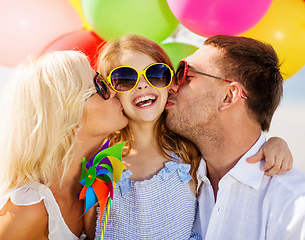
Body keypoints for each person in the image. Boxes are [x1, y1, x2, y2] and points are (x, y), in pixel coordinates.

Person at [85, 35, 293, 240]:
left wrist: (274, 143)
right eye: (125, 79)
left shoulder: (189, 154)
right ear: (110, 91)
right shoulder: (100, 164)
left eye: (156, 74)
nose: (141, 85)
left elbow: (229, 144)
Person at [166, 35, 305, 239]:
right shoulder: (172, 176)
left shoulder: (294, 205)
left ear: (228, 96)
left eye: (186, 75)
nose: (171, 86)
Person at [0, 50, 128, 240]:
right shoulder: (28, 207)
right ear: (69, 117)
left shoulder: (88, 188)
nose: (114, 91)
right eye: (100, 85)